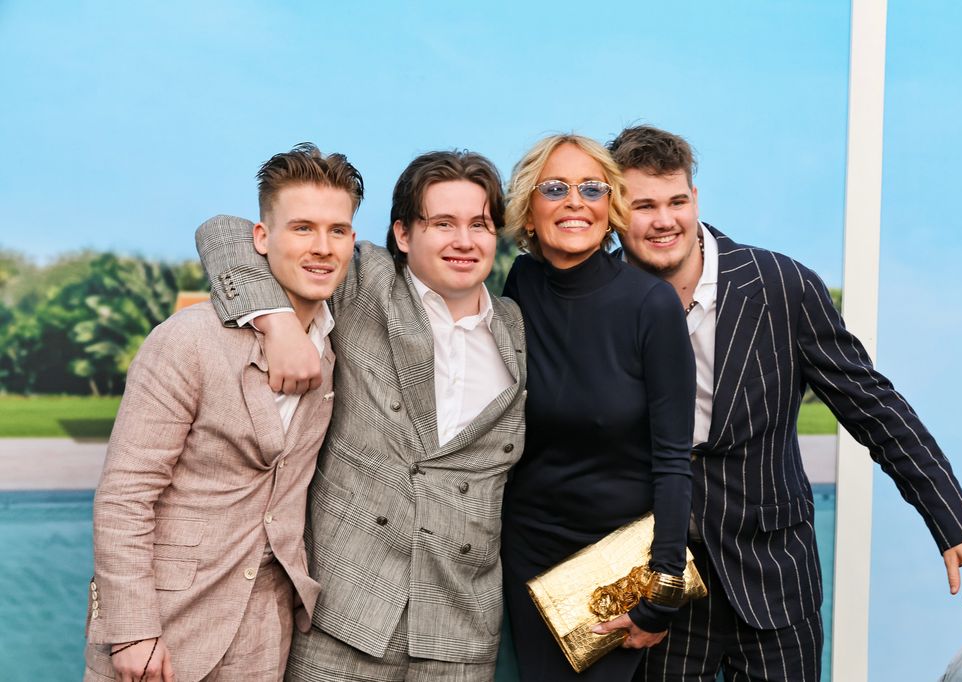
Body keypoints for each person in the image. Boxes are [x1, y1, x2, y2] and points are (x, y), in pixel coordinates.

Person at [605, 124, 962, 682]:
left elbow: (874, 410)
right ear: (617, 213)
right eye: (643, 205)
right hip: (657, 592)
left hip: (775, 584)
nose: (664, 220)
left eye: (677, 201)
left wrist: (955, 524)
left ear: (696, 199)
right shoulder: (602, 302)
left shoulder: (781, 286)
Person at [195, 150, 527, 681]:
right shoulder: (363, 281)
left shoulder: (517, 328)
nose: (464, 241)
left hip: (460, 631)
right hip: (343, 616)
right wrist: (278, 323)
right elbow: (224, 233)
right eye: (442, 223)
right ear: (402, 233)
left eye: (480, 225)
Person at [86, 143, 360, 682]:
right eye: (302, 228)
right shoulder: (186, 342)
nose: (323, 247)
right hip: (165, 624)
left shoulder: (335, 341)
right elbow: (125, 494)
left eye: (338, 230)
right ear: (261, 238)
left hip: (264, 628)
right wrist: (134, 630)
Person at [498, 134, 696, 681]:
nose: (575, 200)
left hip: (616, 567)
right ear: (529, 213)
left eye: (591, 188)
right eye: (555, 188)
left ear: (610, 208)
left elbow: (674, 459)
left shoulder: (651, 305)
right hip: (530, 556)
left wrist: (663, 588)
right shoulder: (522, 283)